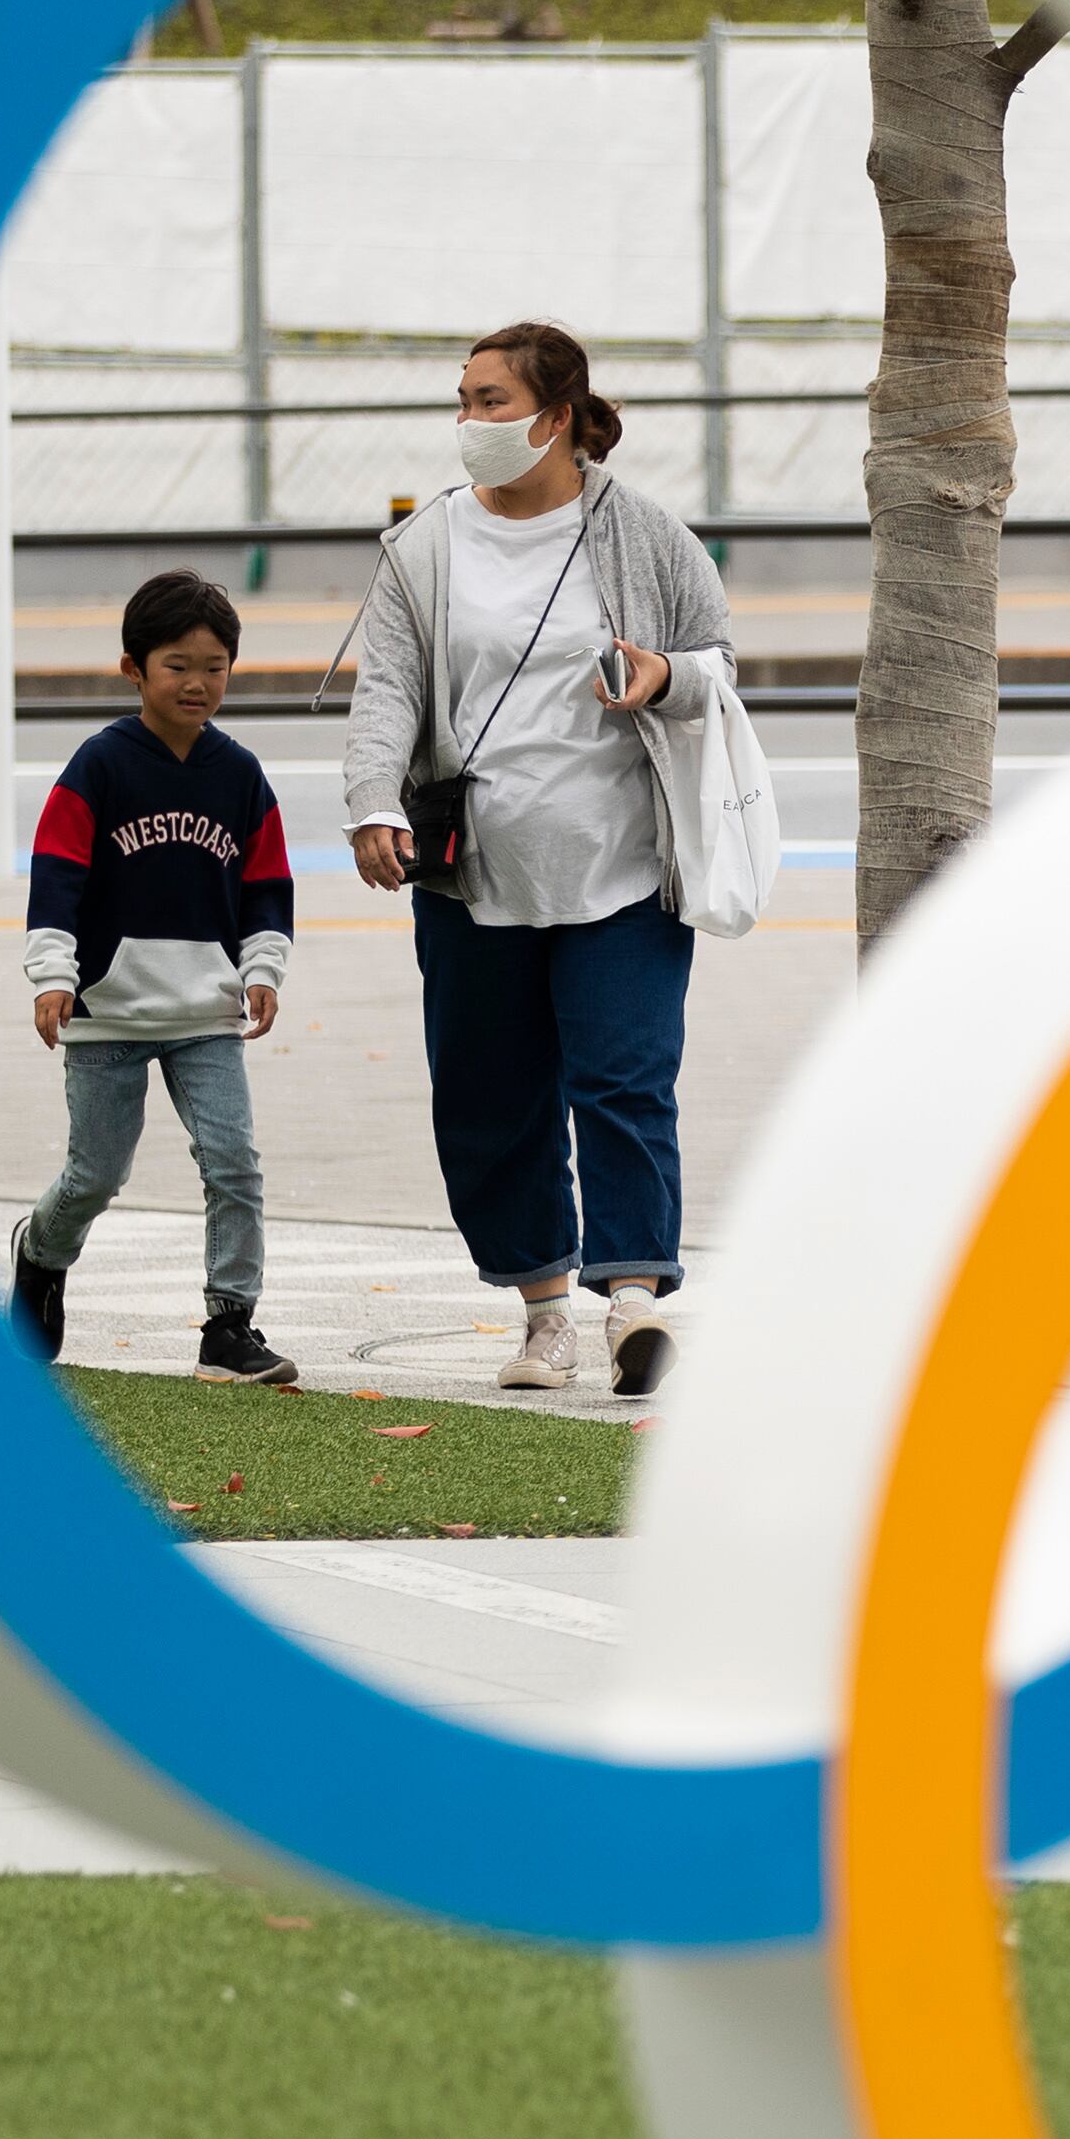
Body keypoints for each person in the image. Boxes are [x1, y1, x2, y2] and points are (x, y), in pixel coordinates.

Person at [340, 320, 738, 1397]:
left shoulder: (642, 532)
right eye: (463, 400)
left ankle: (634, 1307)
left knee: (623, 1080)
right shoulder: (423, 547)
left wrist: (665, 678)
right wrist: (373, 800)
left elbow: (714, 657)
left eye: (489, 401)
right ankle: (544, 1314)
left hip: (621, 867)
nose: (469, 422)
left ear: (555, 418)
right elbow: (386, 690)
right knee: (488, 1095)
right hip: (474, 872)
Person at [8, 572, 298, 1387]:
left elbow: (267, 884)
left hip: (205, 1012)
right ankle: (41, 1251)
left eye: (216, 665)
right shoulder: (99, 767)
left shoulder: (239, 775)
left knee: (233, 1161)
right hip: (106, 1012)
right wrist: (51, 975)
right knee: (96, 1174)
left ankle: (229, 1325)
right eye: (178, 665)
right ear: (133, 668)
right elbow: (56, 875)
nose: (199, 683)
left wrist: (263, 965)